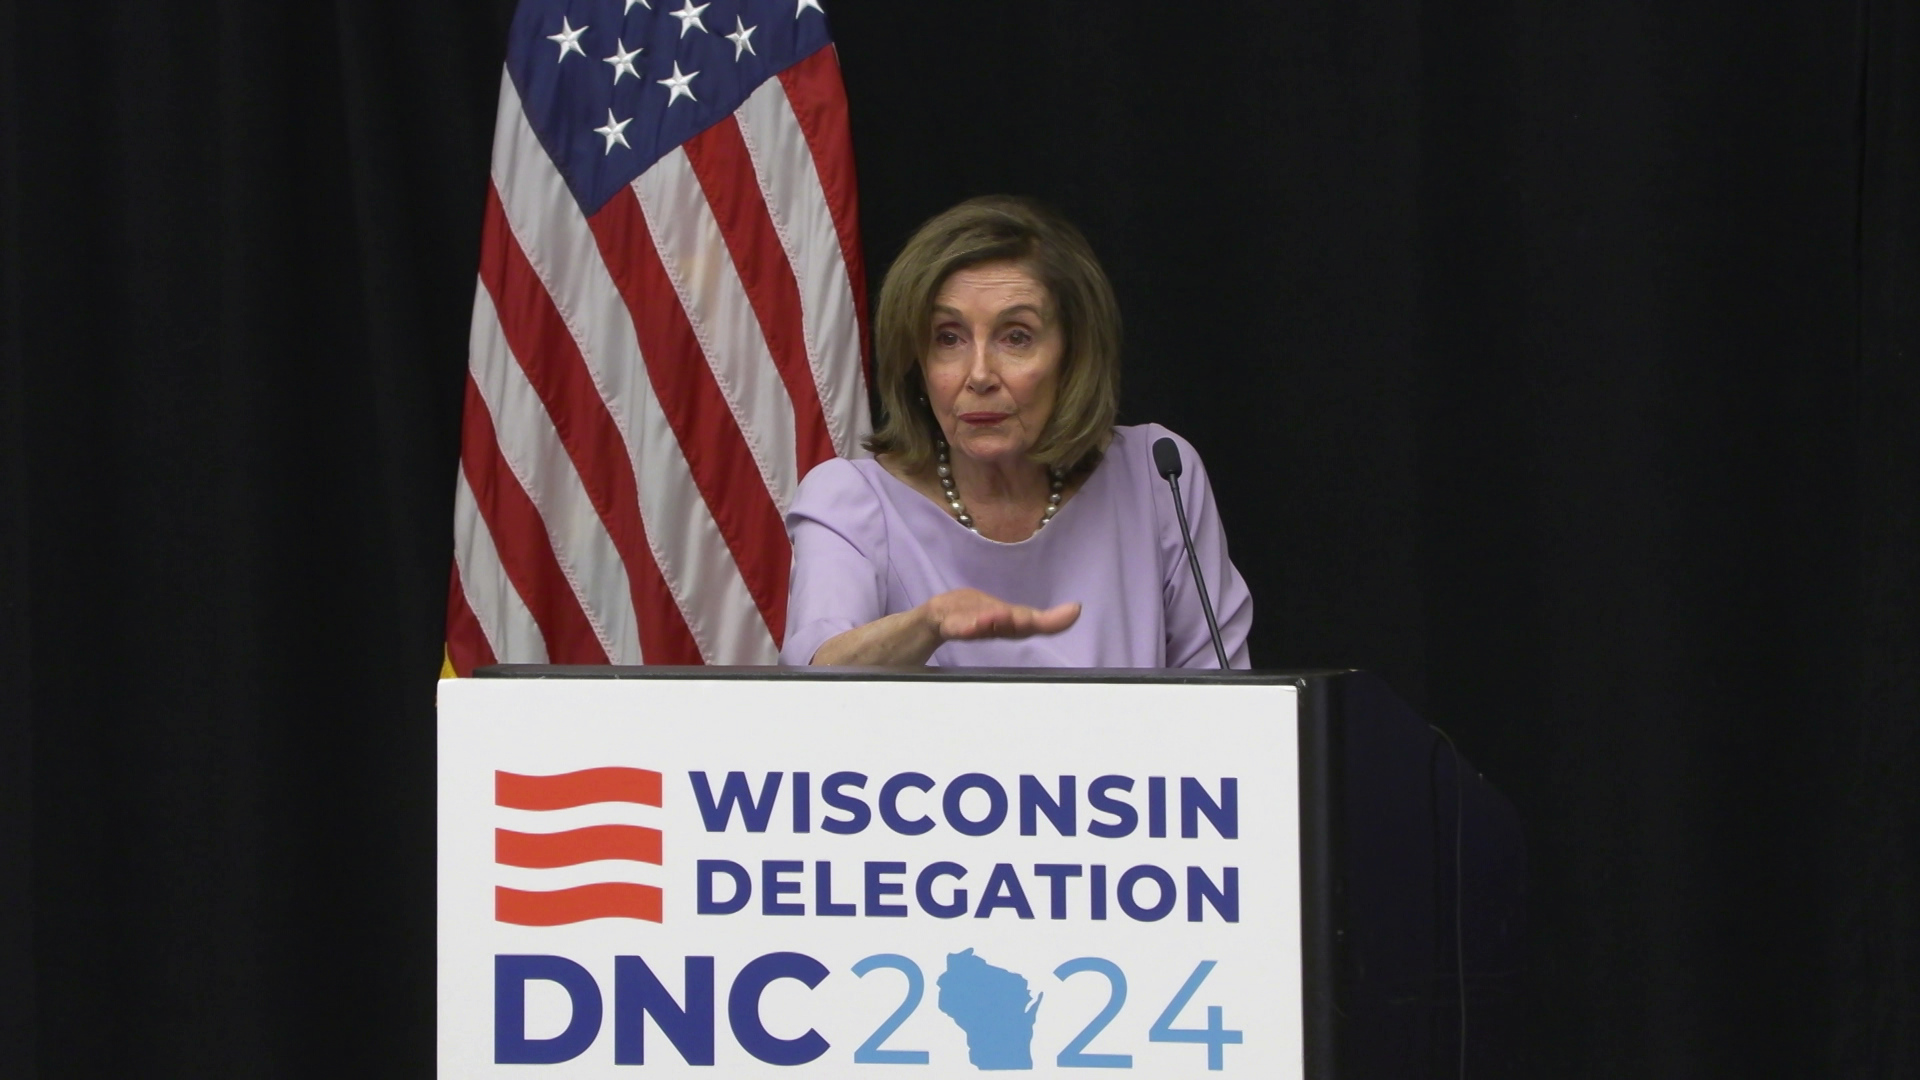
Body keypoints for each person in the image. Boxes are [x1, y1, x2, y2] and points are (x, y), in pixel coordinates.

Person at [780, 195, 1252, 668]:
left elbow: (1232, 703)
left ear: (1074, 355)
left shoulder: (1157, 475)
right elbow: (812, 680)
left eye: (1016, 336)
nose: (979, 373)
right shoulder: (851, 499)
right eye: (949, 337)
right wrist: (930, 624)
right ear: (916, 360)